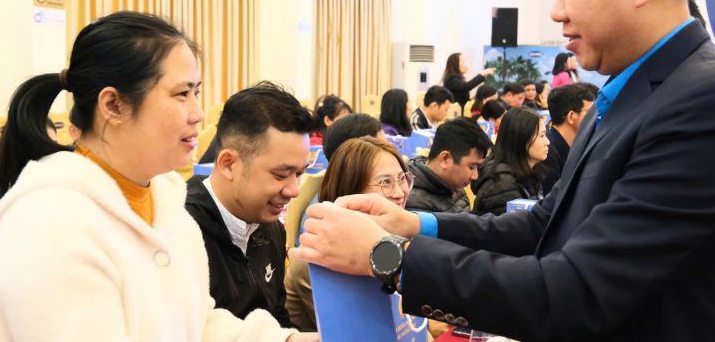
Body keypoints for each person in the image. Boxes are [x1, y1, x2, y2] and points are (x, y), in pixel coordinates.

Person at [291, 0, 715, 341]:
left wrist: (388, 257)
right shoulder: (634, 92)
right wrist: (415, 226)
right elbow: (544, 225)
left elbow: (580, 291)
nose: (555, 11)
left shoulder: (712, 103)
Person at [0, 12, 313, 342]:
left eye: (197, 93)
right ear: (114, 105)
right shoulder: (51, 224)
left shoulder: (166, 208)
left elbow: (195, 322)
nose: (197, 114)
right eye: (181, 94)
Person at [185, 82, 318, 329]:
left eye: (299, 173)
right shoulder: (180, 232)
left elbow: (277, 317)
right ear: (228, 164)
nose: (294, 190)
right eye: (280, 175)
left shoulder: (270, 228)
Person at [285, 136, 411, 332]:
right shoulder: (319, 257)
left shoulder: (396, 235)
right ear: (351, 191)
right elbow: (363, 331)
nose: (400, 192)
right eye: (386, 182)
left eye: (402, 178)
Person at [471, 108, 548, 216]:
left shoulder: (530, 171)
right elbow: (512, 229)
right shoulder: (502, 185)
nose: (547, 142)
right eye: (542, 136)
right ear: (522, 139)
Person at [406, 117, 492, 214]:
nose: (475, 176)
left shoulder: (453, 184)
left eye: (477, 167)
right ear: (445, 159)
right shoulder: (416, 204)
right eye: (471, 167)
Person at [536, 84, 594, 195]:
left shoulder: (579, 145)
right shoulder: (547, 152)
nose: (596, 117)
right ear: (571, 116)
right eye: (590, 112)